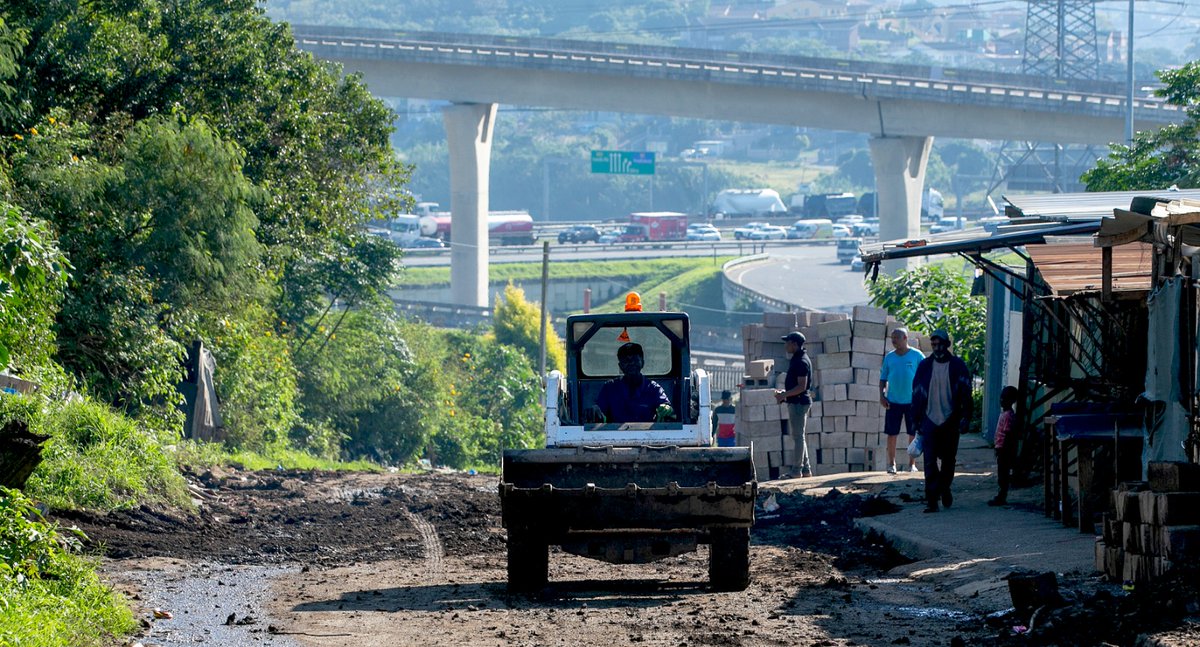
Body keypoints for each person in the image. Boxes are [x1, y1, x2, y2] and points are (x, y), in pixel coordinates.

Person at [910, 329, 973, 513]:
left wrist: (966, 418)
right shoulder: (924, 366)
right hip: (929, 420)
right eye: (934, 345)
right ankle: (932, 500)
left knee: (948, 461)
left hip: (950, 420)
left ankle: (944, 488)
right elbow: (916, 395)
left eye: (940, 344)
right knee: (929, 462)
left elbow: (966, 395)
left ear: (947, 345)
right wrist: (916, 421)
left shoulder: (958, 366)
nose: (937, 348)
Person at [880, 328, 925, 474]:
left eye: (896, 338)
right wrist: (882, 395)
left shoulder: (917, 355)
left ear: (905, 338)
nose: (893, 341)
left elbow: (927, 375)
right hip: (893, 401)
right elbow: (883, 379)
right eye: (892, 338)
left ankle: (911, 464)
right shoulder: (889, 357)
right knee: (892, 433)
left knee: (913, 433)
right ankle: (891, 464)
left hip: (912, 402)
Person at [595, 342, 673, 423]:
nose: (631, 363)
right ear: (620, 366)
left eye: (635, 359)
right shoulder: (609, 388)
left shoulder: (654, 388)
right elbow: (599, 411)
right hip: (615, 434)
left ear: (642, 363)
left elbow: (666, 406)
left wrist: (666, 408)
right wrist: (595, 411)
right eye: (626, 360)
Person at [774, 331, 813, 477]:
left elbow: (801, 386)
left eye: (787, 342)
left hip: (798, 403)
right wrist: (785, 392)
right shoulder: (798, 358)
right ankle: (806, 469)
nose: (786, 345)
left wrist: (784, 395)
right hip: (797, 401)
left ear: (795, 344)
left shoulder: (801, 361)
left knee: (798, 437)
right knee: (799, 436)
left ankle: (796, 471)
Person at [989, 386, 1019, 506]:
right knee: (1002, 473)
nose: (1001, 400)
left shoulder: (1007, 416)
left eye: (1004, 398)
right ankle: (1001, 495)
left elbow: (1008, 434)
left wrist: (1003, 449)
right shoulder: (1007, 414)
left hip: (1003, 449)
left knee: (1003, 473)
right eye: (1001, 398)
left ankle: (1002, 496)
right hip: (1001, 448)